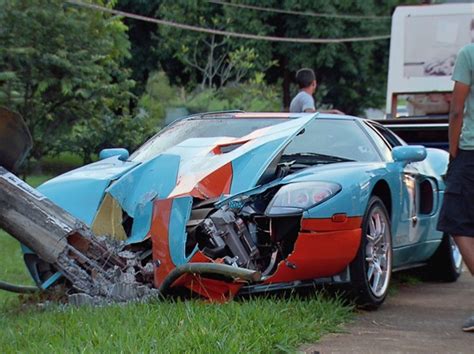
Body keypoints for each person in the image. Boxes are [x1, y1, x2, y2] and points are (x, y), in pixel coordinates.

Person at [437, 43, 474, 333]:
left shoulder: (469, 53)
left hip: (471, 153)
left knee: (456, 220)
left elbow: (457, 109)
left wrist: (453, 151)